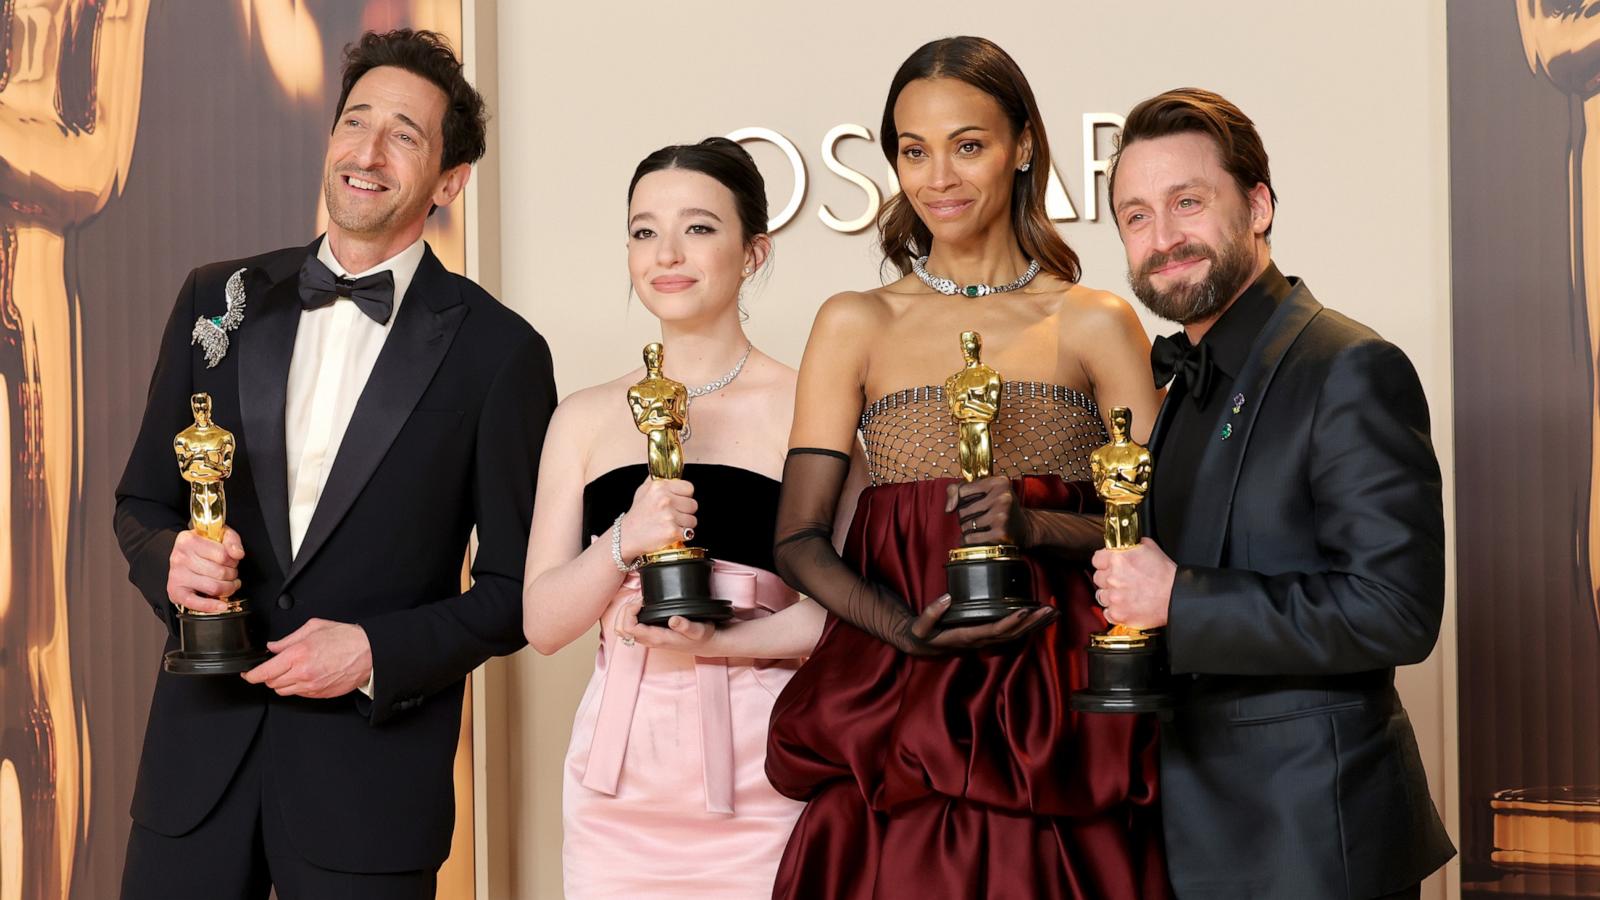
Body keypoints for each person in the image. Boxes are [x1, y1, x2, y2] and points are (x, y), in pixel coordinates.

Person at [113, 29, 556, 898]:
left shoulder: (501, 352)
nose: (368, 151)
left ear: (450, 180)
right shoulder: (217, 299)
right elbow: (141, 502)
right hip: (192, 777)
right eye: (355, 122)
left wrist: (372, 651)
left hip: (370, 789)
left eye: (405, 134)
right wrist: (170, 560)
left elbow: (515, 593)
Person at [764, 36, 1169, 900]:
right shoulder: (855, 322)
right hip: (897, 699)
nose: (937, 175)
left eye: (968, 144)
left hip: (1057, 708)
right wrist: (905, 630)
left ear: (1024, 145)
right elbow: (797, 539)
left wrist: (1037, 525)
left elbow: (1165, 526)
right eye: (914, 150)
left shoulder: (1096, 321)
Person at [1094, 87, 1455, 899]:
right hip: (1189, 834)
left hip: (1310, 847)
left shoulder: (1350, 367)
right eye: (1137, 216)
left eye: (1188, 202)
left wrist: (1180, 599)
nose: (1163, 238)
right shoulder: (1184, 385)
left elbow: (1395, 609)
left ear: (1257, 205)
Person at [522, 137, 824, 898]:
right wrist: (624, 540)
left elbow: (851, 614)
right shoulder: (584, 417)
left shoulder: (808, 408)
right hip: (616, 784)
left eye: (698, 227)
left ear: (753, 252)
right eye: (644, 230)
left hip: (763, 772)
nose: (667, 253)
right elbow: (543, 623)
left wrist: (728, 641)